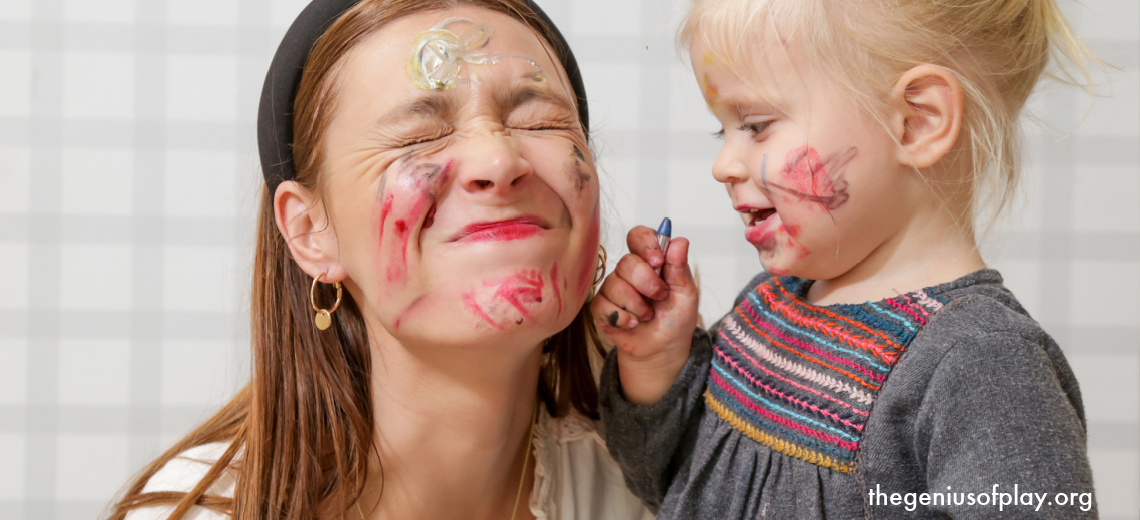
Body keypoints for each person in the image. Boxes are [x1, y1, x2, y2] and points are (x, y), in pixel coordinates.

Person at [106, 1, 652, 519]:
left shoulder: (665, 483)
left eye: (538, 122)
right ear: (309, 231)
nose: (499, 159)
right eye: (423, 135)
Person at [591, 0, 1099, 518]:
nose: (723, 165)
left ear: (916, 122)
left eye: (758, 124)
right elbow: (664, 485)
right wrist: (657, 362)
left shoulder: (985, 363)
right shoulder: (767, 309)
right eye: (724, 131)